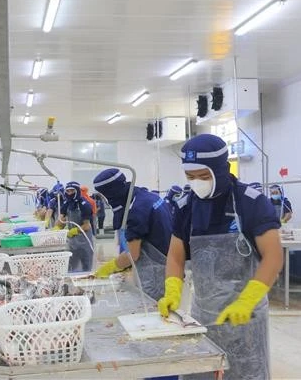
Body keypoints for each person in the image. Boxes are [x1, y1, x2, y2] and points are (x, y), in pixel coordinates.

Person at [158, 134, 282, 379]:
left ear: (222, 169)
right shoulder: (185, 206)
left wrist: (248, 300)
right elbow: (175, 256)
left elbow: (273, 257)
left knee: (245, 373)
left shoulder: (251, 203)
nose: (196, 183)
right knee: (199, 373)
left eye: (204, 176)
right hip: (203, 314)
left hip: (245, 317)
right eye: (190, 177)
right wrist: (172, 290)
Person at [92, 169, 173, 300]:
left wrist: (109, 268)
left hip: (156, 274)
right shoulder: (146, 196)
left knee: (153, 310)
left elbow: (132, 254)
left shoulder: (136, 211)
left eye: (103, 195)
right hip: (169, 265)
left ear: (111, 192)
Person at [55, 182, 94, 272]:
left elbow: (87, 226)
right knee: (71, 267)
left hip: (84, 241)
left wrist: (74, 231)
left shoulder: (84, 205)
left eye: (72, 191)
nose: (70, 193)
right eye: (68, 191)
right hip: (72, 242)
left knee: (86, 268)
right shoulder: (67, 203)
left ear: (77, 191)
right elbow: (61, 220)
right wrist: (56, 228)